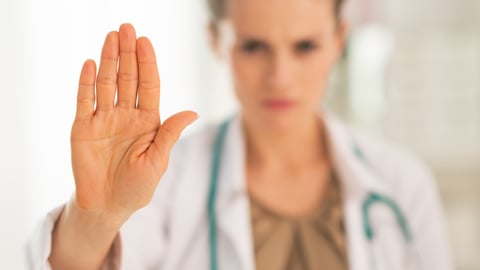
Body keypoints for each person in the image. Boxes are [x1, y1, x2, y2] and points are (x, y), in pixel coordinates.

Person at [27, 0, 453, 269]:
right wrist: (96, 218)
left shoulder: (402, 183)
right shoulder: (163, 180)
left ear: (339, 40)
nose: (280, 77)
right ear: (215, 41)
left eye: (305, 46)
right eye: (253, 47)